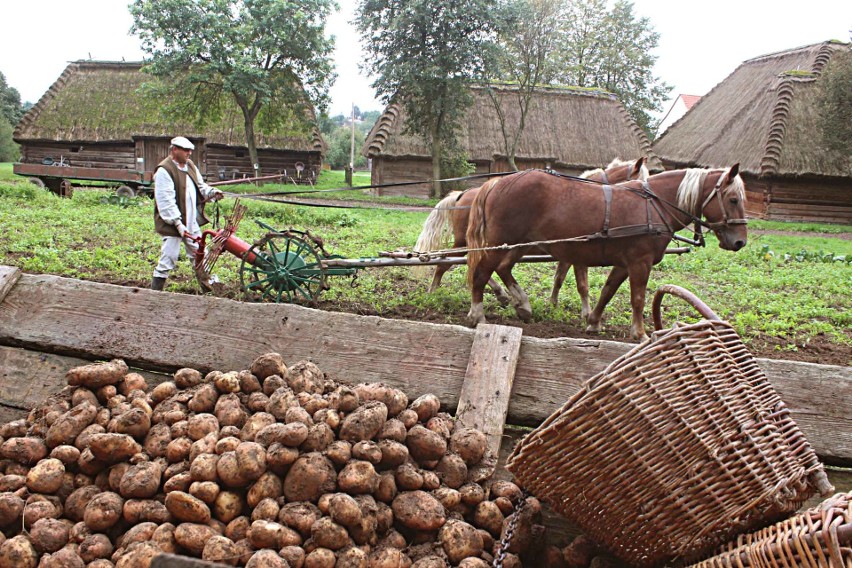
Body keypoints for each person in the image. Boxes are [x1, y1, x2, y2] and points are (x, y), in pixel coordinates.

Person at [151, 136, 224, 291]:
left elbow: (200, 186)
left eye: (190, 150)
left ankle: (207, 288)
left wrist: (212, 192)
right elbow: (166, 201)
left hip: (190, 221)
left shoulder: (190, 165)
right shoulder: (164, 170)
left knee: (200, 254)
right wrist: (178, 224)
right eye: (185, 150)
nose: (189, 153)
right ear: (174, 150)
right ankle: (155, 291)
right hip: (172, 223)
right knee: (169, 257)